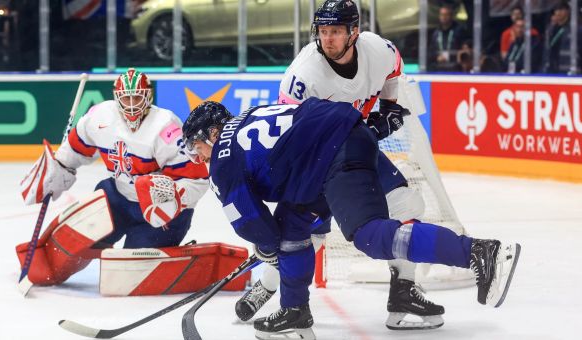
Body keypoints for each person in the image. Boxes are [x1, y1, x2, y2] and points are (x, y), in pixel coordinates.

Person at [182, 98, 521, 340]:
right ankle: (294, 312)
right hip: (338, 144)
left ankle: (479, 252)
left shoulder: (222, 161)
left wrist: (267, 249)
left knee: (368, 235)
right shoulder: (252, 114)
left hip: (330, 157)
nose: (198, 157)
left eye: (196, 146)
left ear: (212, 133)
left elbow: (252, 225)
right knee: (292, 227)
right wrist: (275, 244)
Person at [241, 0, 442, 331]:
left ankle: (403, 290)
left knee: (405, 203)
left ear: (354, 33)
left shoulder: (377, 50)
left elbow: (394, 72)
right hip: (314, 159)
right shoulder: (302, 77)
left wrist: (389, 106)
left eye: (335, 31)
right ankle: (267, 285)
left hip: (356, 151)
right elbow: (288, 133)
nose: (328, 39)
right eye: (323, 31)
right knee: (308, 237)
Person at [16, 69, 210, 286]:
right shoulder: (99, 116)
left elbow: (197, 179)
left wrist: (172, 198)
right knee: (78, 236)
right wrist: (59, 167)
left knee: (127, 273)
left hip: (159, 214)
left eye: (137, 97)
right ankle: (50, 266)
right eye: (126, 97)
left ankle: (168, 254)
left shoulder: (166, 127)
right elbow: (75, 147)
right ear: (116, 97)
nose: (132, 104)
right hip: (117, 197)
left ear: (148, 96)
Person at [428, 3, 468, 72]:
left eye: (446, 15)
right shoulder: (436, 33)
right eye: (442, 15)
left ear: (451, 16)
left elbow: (464, 49)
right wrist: (437, 57)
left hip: (455, 68)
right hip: (439, 68)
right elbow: (431, 51)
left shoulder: (459, 31)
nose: (444, 17)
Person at [541, 2, 574, 74]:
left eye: (561, 10)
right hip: (551, 67)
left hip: (566, 68)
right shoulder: (551, 30)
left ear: (568, 11)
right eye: (556, 10)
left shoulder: (573, 30)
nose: (558, 13)